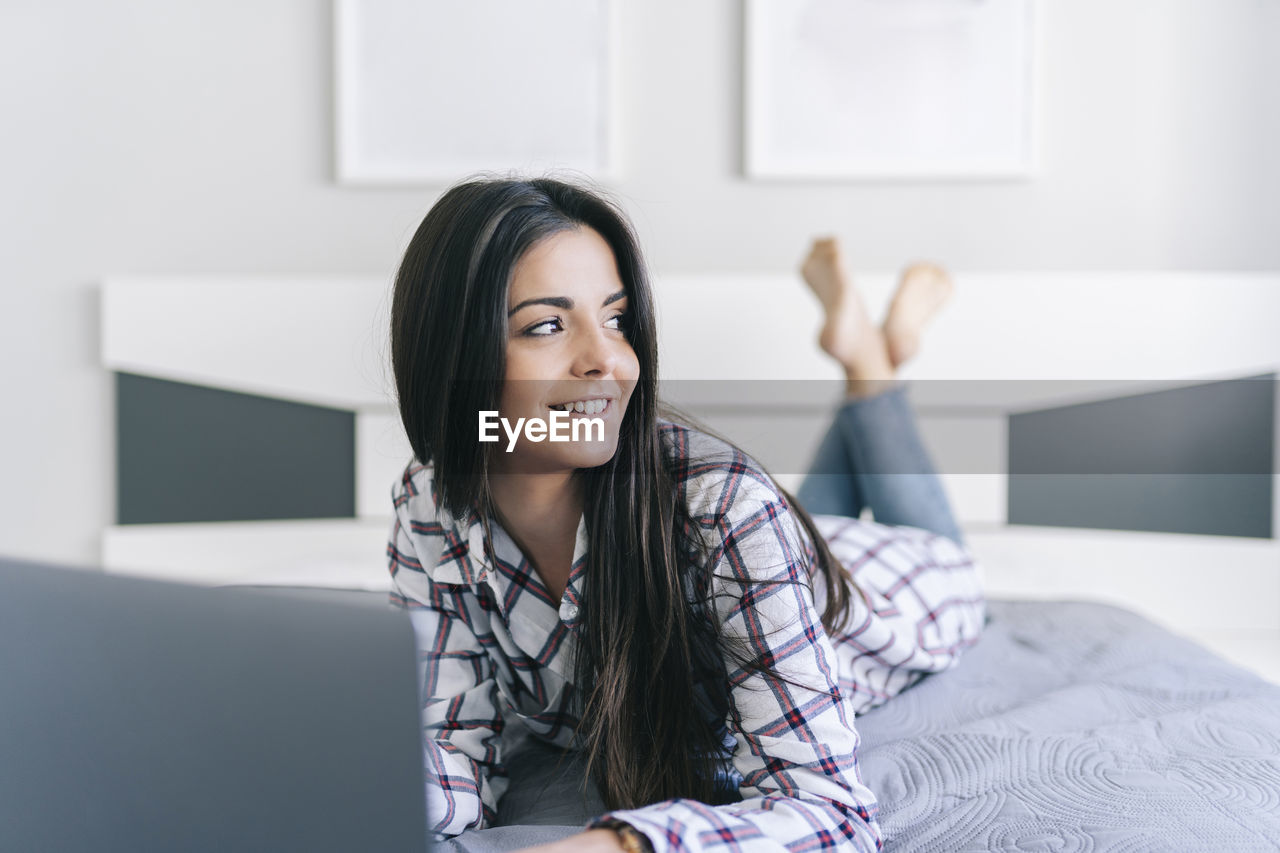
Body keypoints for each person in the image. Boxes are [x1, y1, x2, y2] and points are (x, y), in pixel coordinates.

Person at [385, 177, 986, 853]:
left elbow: (832, 813)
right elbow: (449, 736)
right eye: (547, 325)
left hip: (898, 584)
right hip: (771, 547)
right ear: (451, 355)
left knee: (934, 539)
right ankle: (871, 354)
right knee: (788, 514)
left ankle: (872, 363)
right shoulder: (429, 502)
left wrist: (617, 846)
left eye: (616, 319)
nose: (608, 359)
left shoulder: (728, 510)